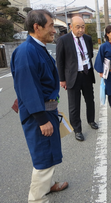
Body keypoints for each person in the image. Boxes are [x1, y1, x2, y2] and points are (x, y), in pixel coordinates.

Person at [10, 9, 68, 203]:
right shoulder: (26, 52)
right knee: (43, 157)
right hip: (39, 115)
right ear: (37, 27)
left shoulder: (38, 47)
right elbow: (28, 90)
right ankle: (36, 199)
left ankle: (48, 185)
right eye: (51, 26)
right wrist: (42, 120)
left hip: (46, 109)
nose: (54, 30)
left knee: (49, 152)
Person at [56, 16, 98, 142]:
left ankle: (91, 120)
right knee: (74, 105)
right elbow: (60, 61)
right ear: (71, 27)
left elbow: (89, 55)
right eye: (78, 27)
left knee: (90, 100)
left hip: (86, 74)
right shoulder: (63, 40)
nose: (81, 29)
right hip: (72, 77)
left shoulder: (88, 39)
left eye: (83, 26)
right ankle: (77, 129)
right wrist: (62, 79)